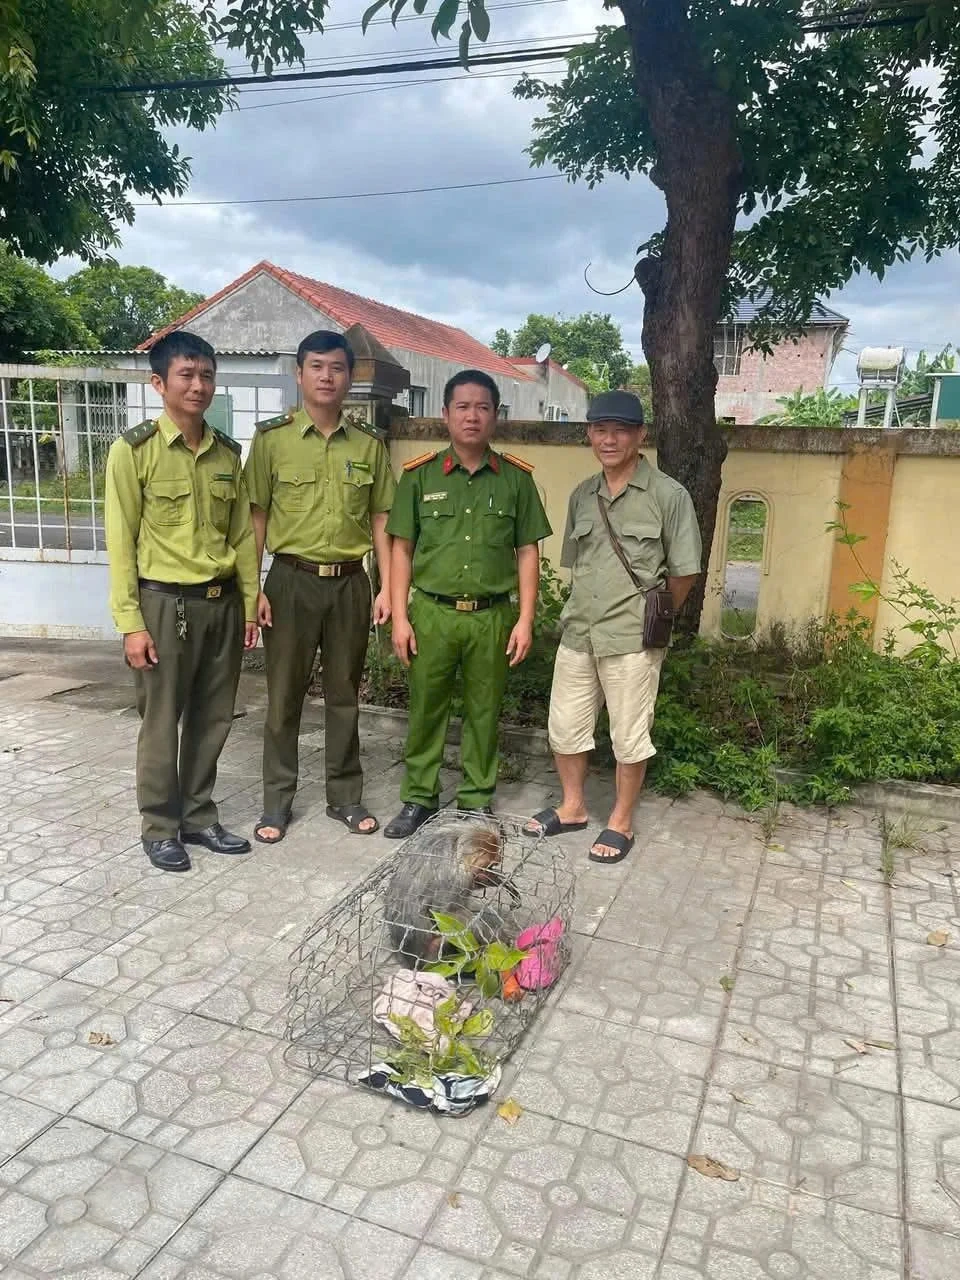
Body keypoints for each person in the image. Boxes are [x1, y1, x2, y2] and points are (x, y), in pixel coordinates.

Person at [104, 331, 260, 872]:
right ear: (159, 382)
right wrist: (131, 623)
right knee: (161, 718)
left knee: (213, 718)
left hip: (221, 605)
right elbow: (120, 543)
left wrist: (250, 599)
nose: (199, 385)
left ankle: (198, 815)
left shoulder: (226, 454)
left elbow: (241, 535)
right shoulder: (134, 450)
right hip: (163, 606)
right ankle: (160, 826)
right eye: (187, 375)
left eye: (207, 375)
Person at [526, 389, 702, 864]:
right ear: (589, 434)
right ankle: (574, 807)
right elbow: (577, 564)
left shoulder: (669, 495)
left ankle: (621, 820)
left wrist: (655, 614)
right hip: (580, 631)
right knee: (564, 727)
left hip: (631, 639)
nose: (609, 439)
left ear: (640, 435)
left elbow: (684, 572)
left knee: (629, 736)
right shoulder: (584, 495)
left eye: (620, 430)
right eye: (600, 430)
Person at [384, 369, 552, 839]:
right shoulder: (418, 478)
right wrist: (401, 617)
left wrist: (524, 618)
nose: (472, 416)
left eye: (482, 407)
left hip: (491, 617)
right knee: (427, 709)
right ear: (445, 414)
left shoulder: (516, 481)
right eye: (463, 406)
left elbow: (527, 551)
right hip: (433, 614)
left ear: (495, 415)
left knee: (484, 711)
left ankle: (476, 800)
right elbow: (400, 549)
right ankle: (419, 797)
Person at [244, 330, 395, 843]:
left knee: (344, 696)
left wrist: (388, 586)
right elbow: (257, 520)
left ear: (350, 376)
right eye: (316, 366)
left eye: (336, 367)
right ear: (300, 374)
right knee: (284, 696)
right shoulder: (272, 440)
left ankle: (345, 797)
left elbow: (381, 520)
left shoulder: (369, 446)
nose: (327, 376)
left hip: (351, 583)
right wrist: (253, 587)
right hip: (289, 581)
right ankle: (276, 802)